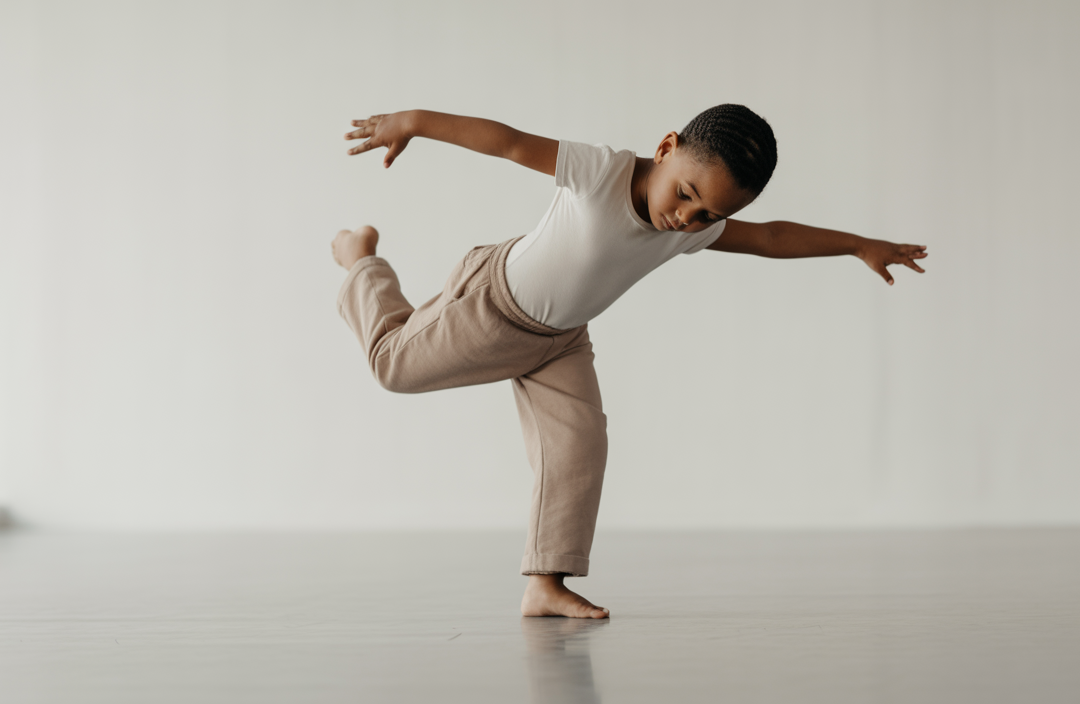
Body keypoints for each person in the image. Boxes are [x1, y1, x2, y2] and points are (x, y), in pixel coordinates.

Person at [331, 105, 928, 619]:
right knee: (393, 366)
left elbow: (771, 237)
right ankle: (362, 261)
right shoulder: (601, 172)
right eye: (686, 194)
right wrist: (410, 123)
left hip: (560, 338)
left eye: (709, 215)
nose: (687, 217)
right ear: (666, 148)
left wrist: (856, 244)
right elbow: (508, 143)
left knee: (579, 446)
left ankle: (545, 584)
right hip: (494, 306)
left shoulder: (692, 231)